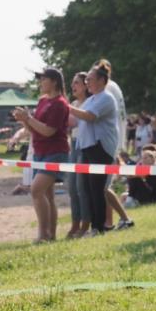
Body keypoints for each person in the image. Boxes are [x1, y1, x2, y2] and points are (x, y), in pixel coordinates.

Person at [12, 68, 70, 243]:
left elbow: (49, 131)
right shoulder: (43, 101)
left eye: (43, 79)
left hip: (55, 153)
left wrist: (28, 119)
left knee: (36, 190)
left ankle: (43, 235)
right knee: (48, 195)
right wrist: (24, 120)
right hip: (40, 152)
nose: (40, 83)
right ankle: (51, 235)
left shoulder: (60, 103)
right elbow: (35, 130)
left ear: (54, 81)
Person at [70, 64, 120, 236]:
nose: (87, 82)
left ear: (101, 80)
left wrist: (67, 107)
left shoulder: (106, 98)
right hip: (86, 148)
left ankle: (98, 227)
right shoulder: (90, 100)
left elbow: (89, 117)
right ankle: (94, 226)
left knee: (96, 189)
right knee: (87, 189)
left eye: (89, 79)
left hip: (100, 148)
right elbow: (76, 121)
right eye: (86, 80)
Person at [92, 60, 135, 230]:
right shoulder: (114, 87)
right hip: (114, 140)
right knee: (104, 185)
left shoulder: (107, 91)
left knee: (103, 186)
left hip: (107, 142)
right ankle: (110, 221)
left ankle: (120, 219)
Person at [66, 72, 91, 239]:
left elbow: (77, 122)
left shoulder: (90, 103)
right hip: (73, 144)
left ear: (86, 85)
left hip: (84, 145)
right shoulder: (74, 103)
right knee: (72, 187)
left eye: (77, 83)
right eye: (72, 83)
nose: (73, 86)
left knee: (82, 187)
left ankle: (85, 224)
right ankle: (75, 222)